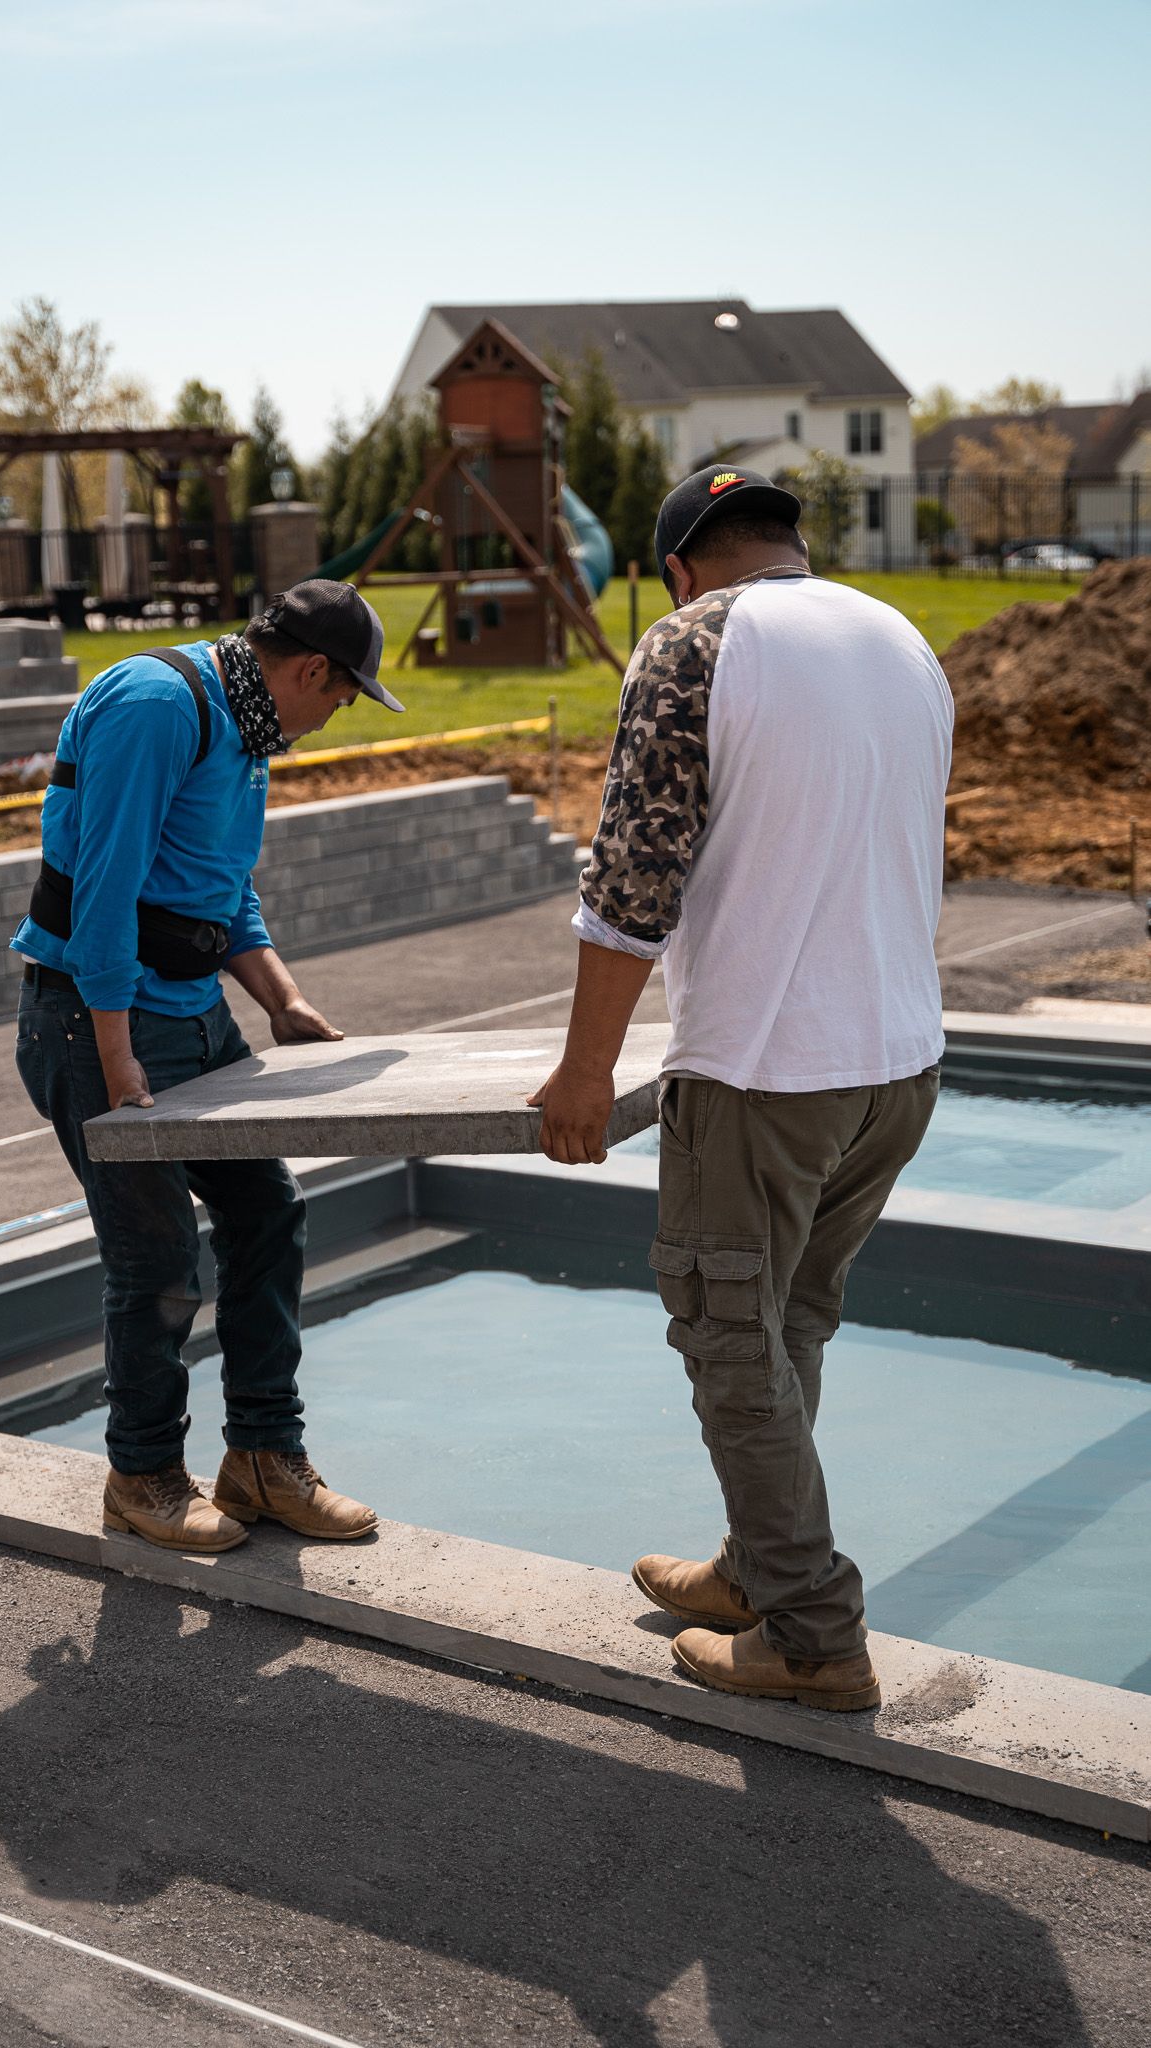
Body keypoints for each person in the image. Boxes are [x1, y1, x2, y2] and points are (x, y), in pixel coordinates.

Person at [530, 466, 952, 1711]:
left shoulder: (693, 640)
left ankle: (815, 1634)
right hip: (897, 1060)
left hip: (768, 1066)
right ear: (791, 544)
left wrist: (586, 1067)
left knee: (729, 1341)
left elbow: (634, 875)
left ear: (678, 565)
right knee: (790, 1326)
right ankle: (759, 1566)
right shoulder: (898, 637)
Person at [10, 580, 404, 1554]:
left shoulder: (248, 729)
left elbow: (222, 890)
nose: (332, 718)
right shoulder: (157, 706)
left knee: (268, 1211)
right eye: (343, 698)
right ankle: (142, 1476)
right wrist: (115, 1056)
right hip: (97, 1018)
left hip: (194, 1017)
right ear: (312, 669)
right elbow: (103, 890)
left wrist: (284, 1003)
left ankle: (264, 1458)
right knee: (155, 1258)